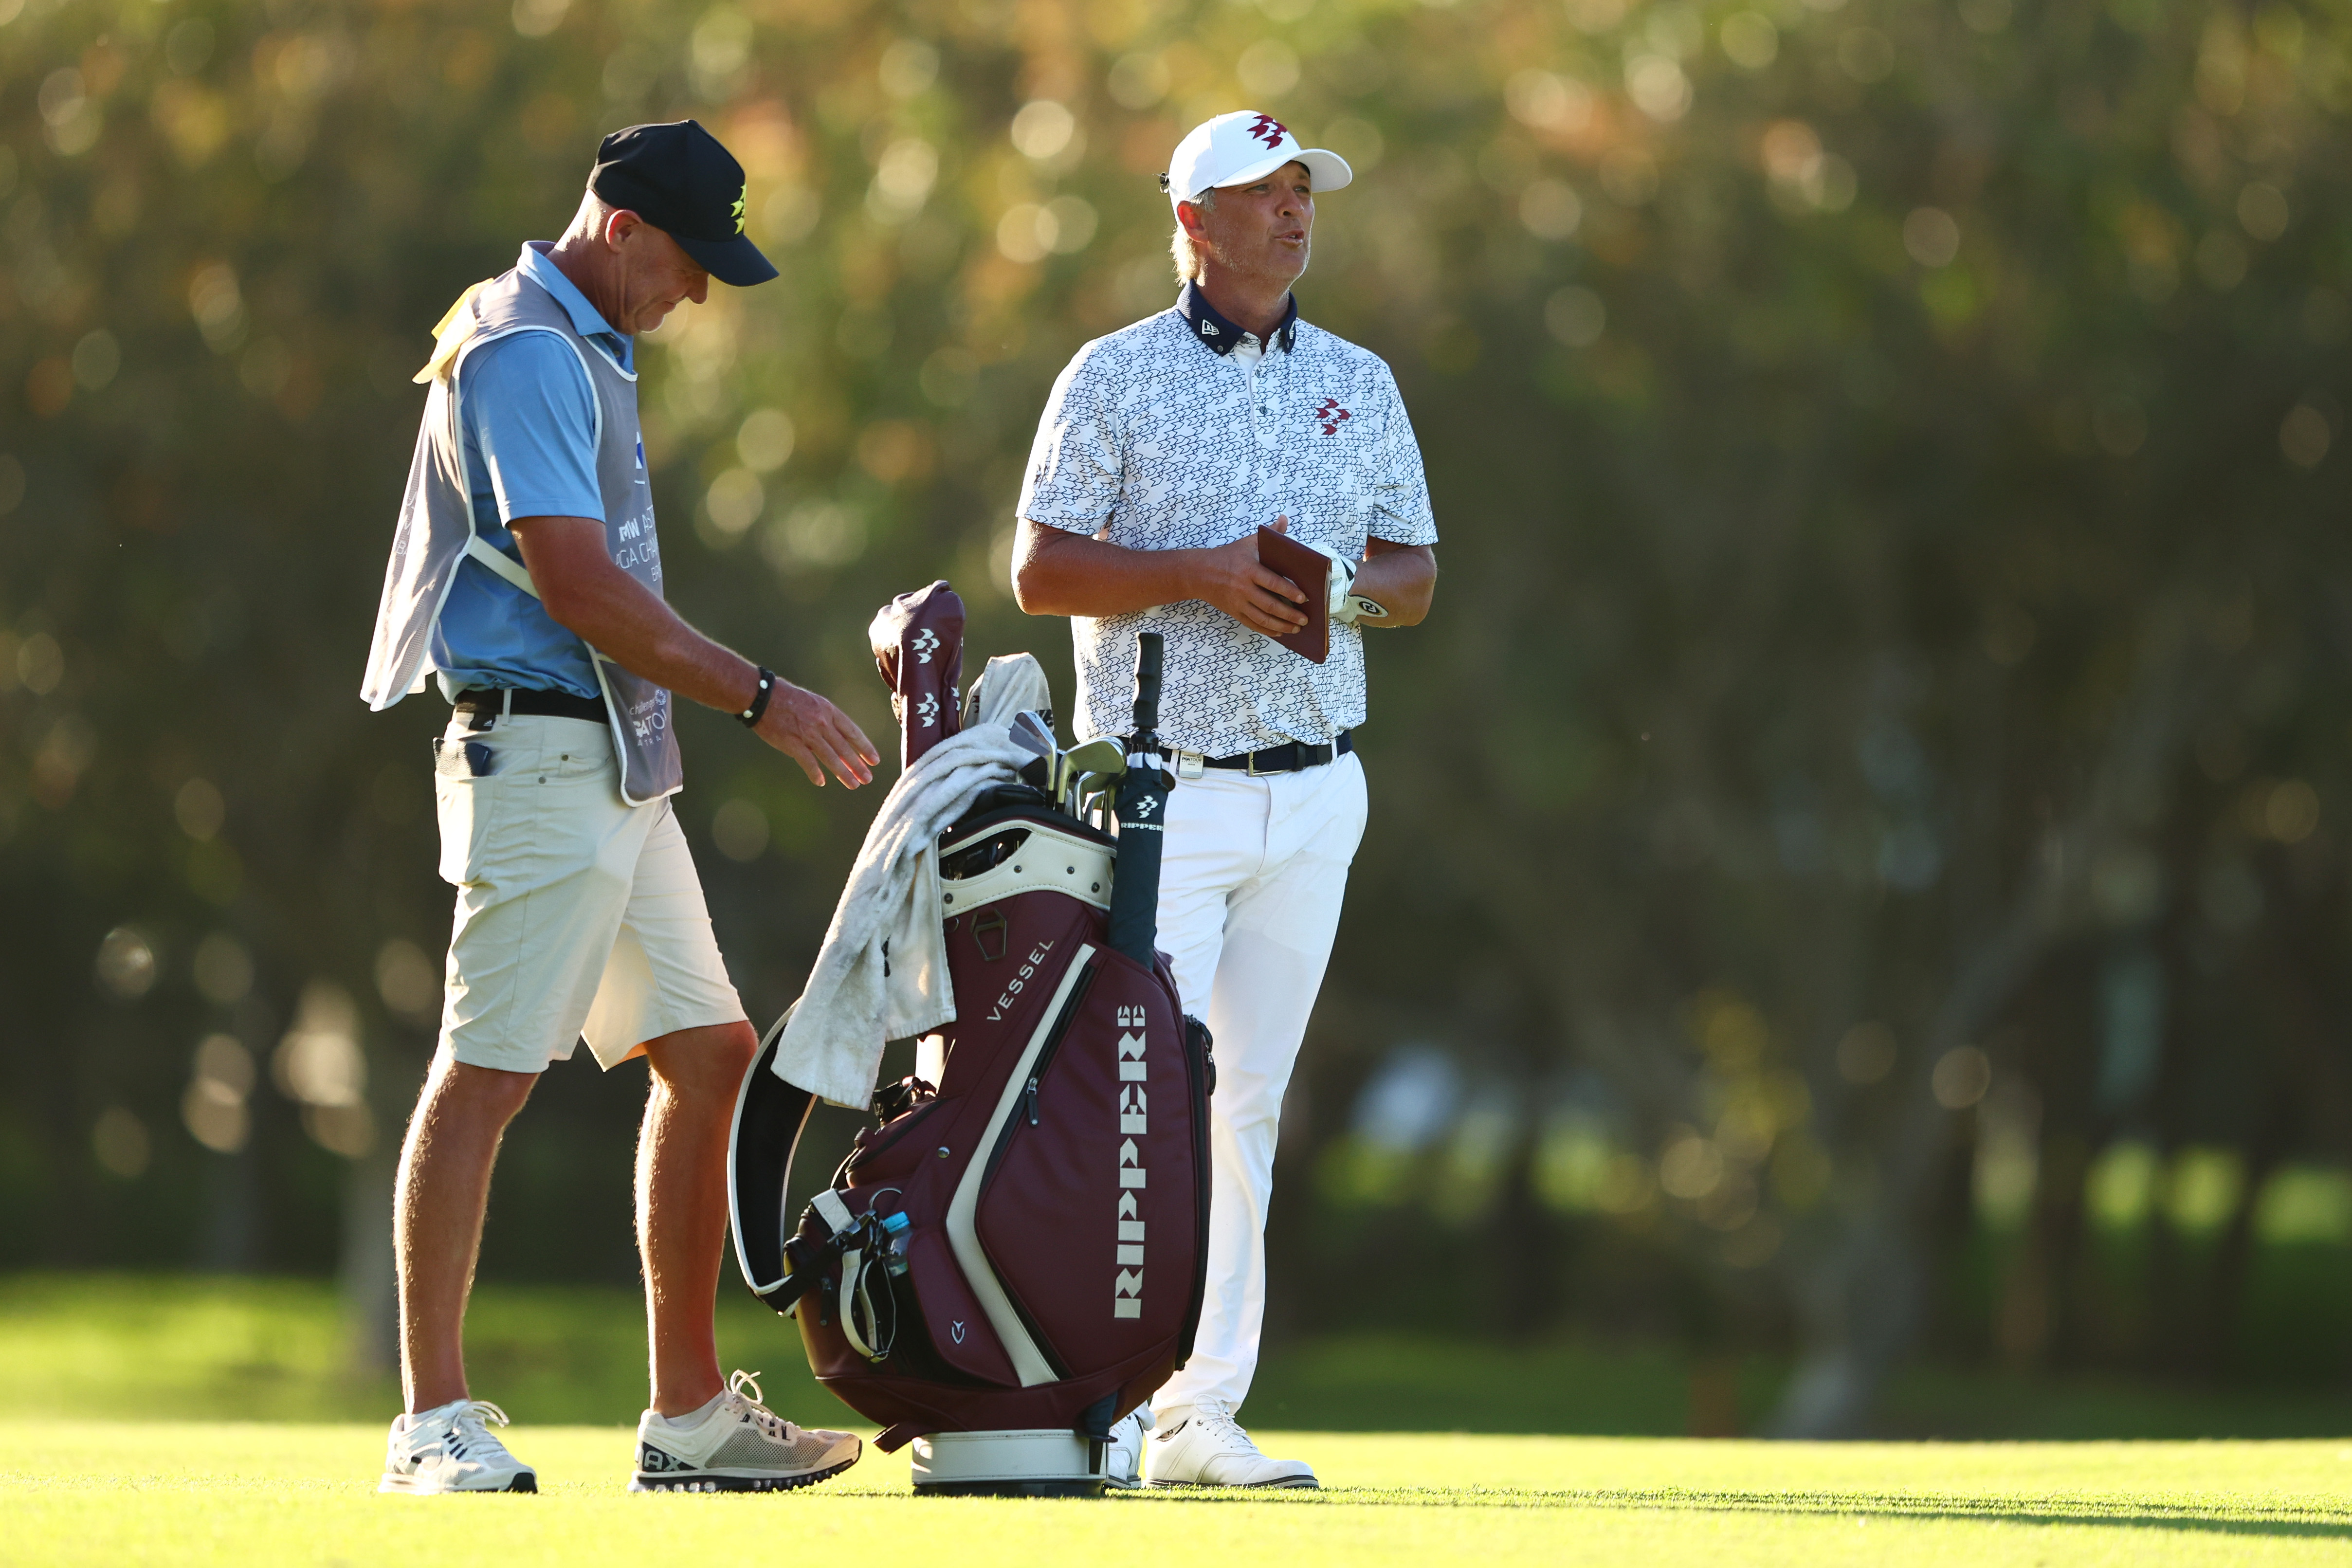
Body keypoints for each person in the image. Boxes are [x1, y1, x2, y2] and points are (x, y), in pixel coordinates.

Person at [358, 120, 880, 1495]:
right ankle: (431, 1425)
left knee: (709, 1056)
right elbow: (578, 587)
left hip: (614, 762)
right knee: (485, 1075)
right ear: (621, 227)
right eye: (688, 262)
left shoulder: (579, 338)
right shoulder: (527, 347)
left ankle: (689, 1415)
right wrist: (760, 697)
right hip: (537, 754)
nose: (697, 293)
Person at [1011, 110, 1439, 1488]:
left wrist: (1338, 589)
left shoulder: (1358, 381)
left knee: (1242, 1108)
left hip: (1316, 791)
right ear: (1192, 220)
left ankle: (1199, 1412)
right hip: (1160, 800)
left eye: (1303, 192)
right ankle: (1109, 1403)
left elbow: (1415, 576)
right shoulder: (1113, 374)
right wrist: (1197, 572)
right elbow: (1039, 571)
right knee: (1139, 1103)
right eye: (1265, 195)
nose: (1295, 214)